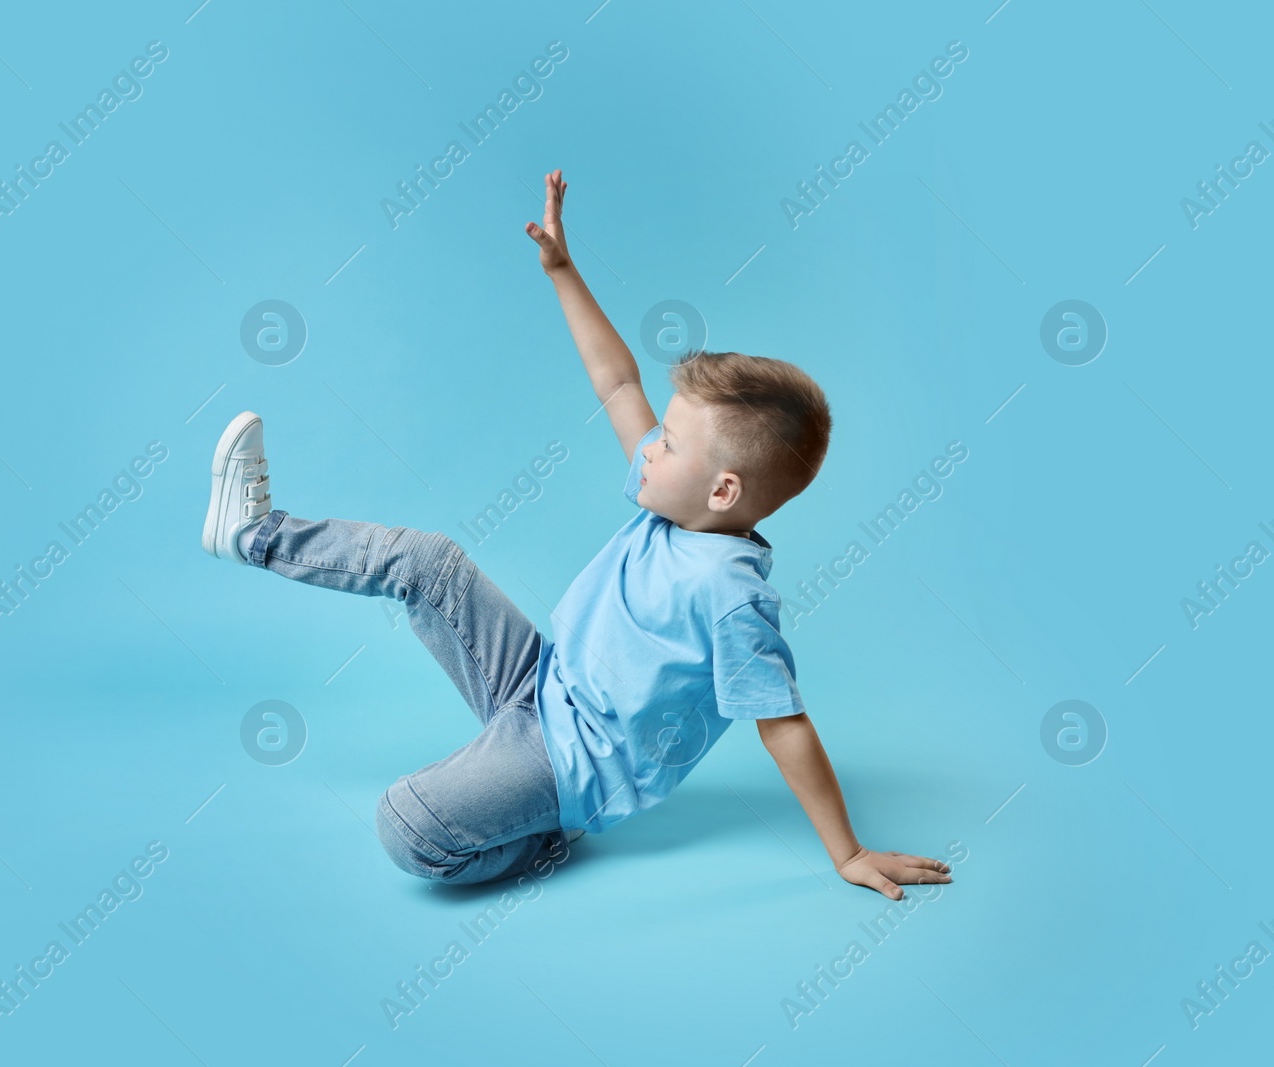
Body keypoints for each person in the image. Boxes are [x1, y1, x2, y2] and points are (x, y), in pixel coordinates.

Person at [200, 169, 952, 900]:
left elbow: (785, 724)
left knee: (405, 824)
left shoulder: (730, 594)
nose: (650, 444)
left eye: (670, 443)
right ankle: (254, 533)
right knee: (428, 561)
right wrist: (563, 270)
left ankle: (545, 837)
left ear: (723, 489)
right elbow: (619, 382)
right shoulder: (676, 502)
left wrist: (847, 850)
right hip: (538, 680)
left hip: (571, 761)